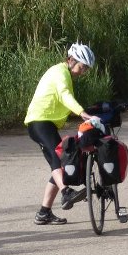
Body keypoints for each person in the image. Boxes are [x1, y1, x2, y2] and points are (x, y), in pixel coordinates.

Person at [24, 42, 103, 225]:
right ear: (70, 60)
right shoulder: (60, 73)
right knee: (58, 159)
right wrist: (83, 113)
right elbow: (64, 95)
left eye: (85, 69)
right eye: (81, 67)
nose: (82, 72)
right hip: (39, 121)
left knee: (59, 162)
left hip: (47, 123)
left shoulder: (64, 73)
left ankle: (44, 212)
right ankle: (66, 192)